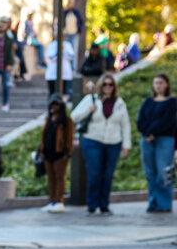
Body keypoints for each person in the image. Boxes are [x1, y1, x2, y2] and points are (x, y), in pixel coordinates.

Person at [71, 73, 132, 215]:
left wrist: (126, 145)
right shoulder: (91, 99)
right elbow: (74, 117)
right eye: (105, 84)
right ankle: (92, 204)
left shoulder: (119, 103)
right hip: (93, 140)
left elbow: (125, 125)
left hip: (113, 142)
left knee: (108, 174)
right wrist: (88, 110)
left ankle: (104, 205)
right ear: (100, 85)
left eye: (110, 84)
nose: (108, 87)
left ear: (114, 86)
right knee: (94, 173)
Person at [136, 73, 176, 213]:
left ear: (166, 85)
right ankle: (153, 202)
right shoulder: (147, 102)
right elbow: (141, 121)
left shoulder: (172, 102)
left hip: (165, 140)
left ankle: (164, 204)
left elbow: (168, 121)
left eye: (161, 83)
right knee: (150, 173)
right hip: (147, 141)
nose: (158, 85)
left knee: (164, 173)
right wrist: (146, 133)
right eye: (156, 83)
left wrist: (152, 132)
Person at [37, 95, 75, 213]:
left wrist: (68, 153)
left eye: (56, 104)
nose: (53, 107)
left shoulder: (66, 121)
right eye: (52, 104)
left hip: (60, 154)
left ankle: (59, 201)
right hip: (48, 153)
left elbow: (70, 138)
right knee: (51, 178)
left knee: (59, 178)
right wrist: (40, 151)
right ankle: (52, 200)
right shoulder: (48, 120)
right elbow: (43, 137)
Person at [44, 31, 75, 97]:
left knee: (64, 93)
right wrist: (59, 51)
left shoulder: (67, 44)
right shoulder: (52, 45)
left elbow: (71, 56)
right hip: (52, 74)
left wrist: (64, 50)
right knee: (52, 93)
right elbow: (50, 57)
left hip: (65, 74)